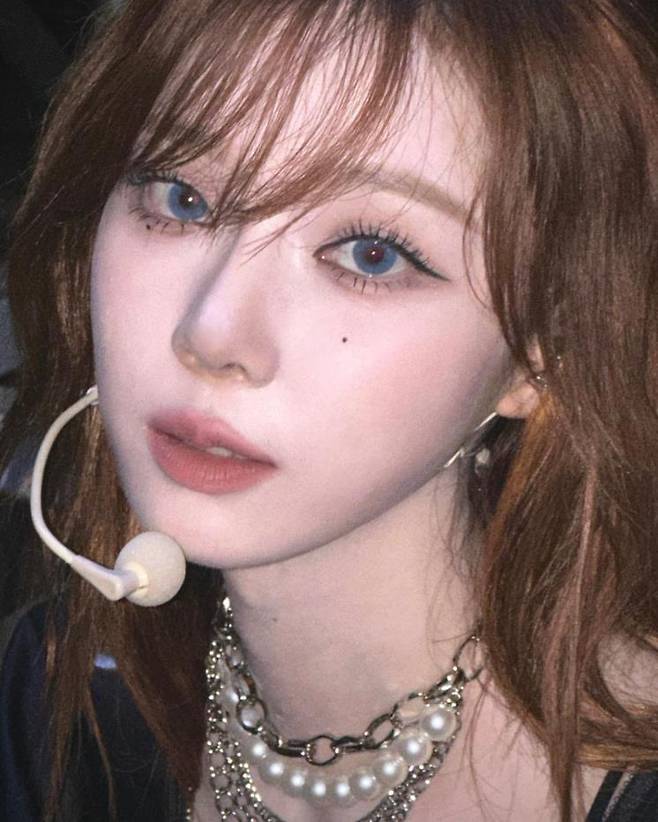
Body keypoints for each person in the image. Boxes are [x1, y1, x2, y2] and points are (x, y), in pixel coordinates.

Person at [1, 0, 657, 820]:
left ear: (536, 354)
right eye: (183, 197)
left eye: (371, 254)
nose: (210, 334)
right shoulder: (61, 701)